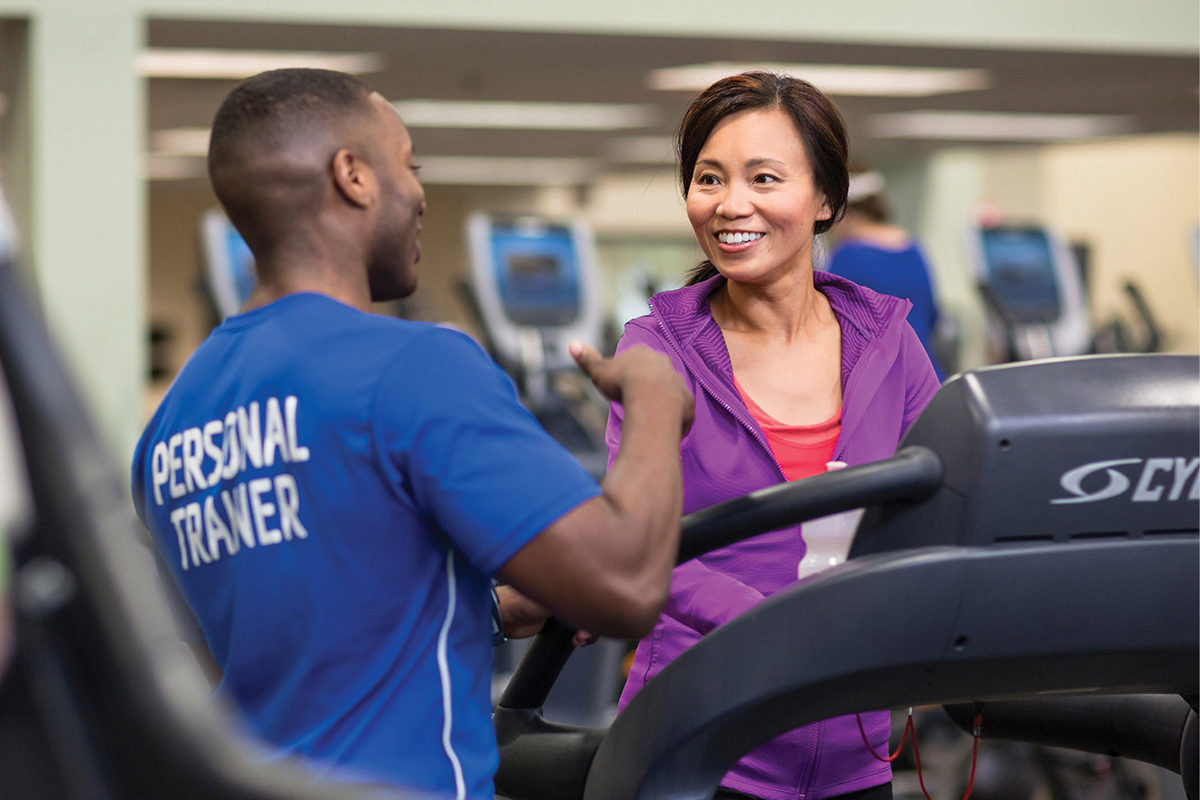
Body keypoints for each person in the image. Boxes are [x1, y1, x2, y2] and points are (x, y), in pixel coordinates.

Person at [130, 68, 693, 800]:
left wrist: (481, 607)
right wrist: (653, 396)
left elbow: (270, 645)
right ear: (354, 176)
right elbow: (622, 586)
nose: (420, 193)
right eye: (409, 163)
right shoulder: (415, 366)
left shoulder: (172, 425)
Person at [605, 72, 942, 800]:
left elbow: (949, 505)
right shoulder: (656, 351)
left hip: (856, 754)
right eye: (709, 179)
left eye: (764, 178)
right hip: (700, 749)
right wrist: (783, 629)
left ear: (826, 198)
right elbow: (643, 545)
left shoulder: (890, 343)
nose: (731, 205)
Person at [824, 166, 946, 379]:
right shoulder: (914, 247)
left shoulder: (849, 254)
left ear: (845, 212)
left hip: (880, 382)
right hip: (925, 377)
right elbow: (934, 316)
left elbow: (826, 326)